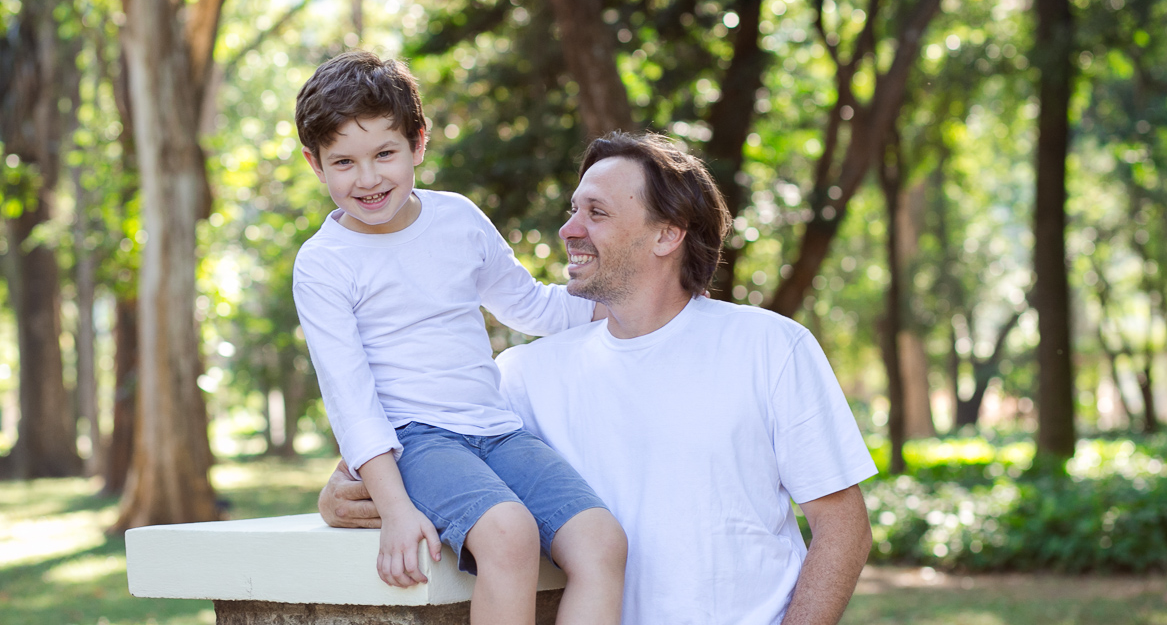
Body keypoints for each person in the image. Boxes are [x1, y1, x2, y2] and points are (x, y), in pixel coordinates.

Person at [320, 131, 877, 625]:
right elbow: (422, 447)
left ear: (666, 235)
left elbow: (843, 529)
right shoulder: (523, 374)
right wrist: (340, 499)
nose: (569, 229)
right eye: (573, 209)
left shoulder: (770, 347)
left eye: (597, 213)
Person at [292, 51, 626, 625]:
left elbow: (531, 305)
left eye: (385, 154)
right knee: (510, 535)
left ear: (418, 143)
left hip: (495, 429)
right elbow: (350, 400)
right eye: (343, 161)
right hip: (413, 440)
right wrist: (395, 508)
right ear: (315, 164)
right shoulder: (324, 263)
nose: (368, 178)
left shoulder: (459, 220)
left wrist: (629, 292)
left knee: (601, 541)